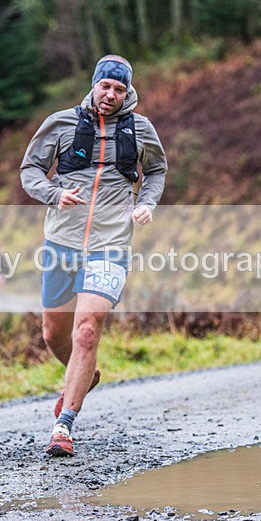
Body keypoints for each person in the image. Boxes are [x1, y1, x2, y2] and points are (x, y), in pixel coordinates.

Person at [20, 55, 167, 456]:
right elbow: (30, 170)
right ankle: (86, 375)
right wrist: (54, 194)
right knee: (54, 333)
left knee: (86, 329)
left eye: (119, 90)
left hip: (110, 244)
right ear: (94, 84)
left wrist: (147, 202)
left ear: (127, 92)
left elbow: (156, 171)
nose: (111, 95)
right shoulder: (61, 123)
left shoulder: (139, 128)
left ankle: (63, 427)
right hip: (62, 242)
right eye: (106, 86)